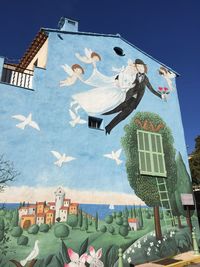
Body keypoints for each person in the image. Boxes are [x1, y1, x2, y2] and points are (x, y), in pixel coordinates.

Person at [103, 59, 163, 135]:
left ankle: (108, 128)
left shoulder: (146, 79)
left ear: (144, 67)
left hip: (134, 102)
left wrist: (160, 96)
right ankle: (101, 113)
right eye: (138, 67)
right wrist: (117, 80)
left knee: (123, 116)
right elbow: (123, 75)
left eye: (141, 67)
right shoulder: (133, 74)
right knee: (114, 110)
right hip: (127, 98)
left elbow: (151, 89)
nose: (140, 68)